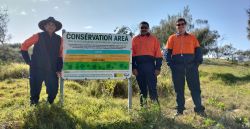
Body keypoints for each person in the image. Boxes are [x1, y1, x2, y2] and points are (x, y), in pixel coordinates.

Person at [164, 18, 205, 116]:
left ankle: (199, 109)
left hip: (191, 67)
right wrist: (171, 65)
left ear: (185, 25)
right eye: (178, 25)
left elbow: (198, 52)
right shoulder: (171, 38)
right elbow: (167, 53)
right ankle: (180, 110)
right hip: (177, 68)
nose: (180, 26)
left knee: (195, 88)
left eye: (182, 24)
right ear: (176, 26)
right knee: (179, 89)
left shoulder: (192, 38)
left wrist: (196, 64)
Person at [20, 17, 63, 105]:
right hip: (36, 68)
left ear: (55, 27)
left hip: (52, 69)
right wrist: (29, 62)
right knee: (35, 90)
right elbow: (24, 46)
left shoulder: (60, 39)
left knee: (53, 90)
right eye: (48, 24)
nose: (50, 26)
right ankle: (34, 105)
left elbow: (60, 55)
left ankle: (49, 103)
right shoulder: (38, 36)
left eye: (53, 25)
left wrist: (59, 69)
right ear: (45, 26)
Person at [132, 21, 163, 107]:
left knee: (152, 89)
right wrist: (133, 68)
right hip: (139, 68)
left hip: (151, 67)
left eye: (146, 27)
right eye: (142, 27)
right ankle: (144, 110)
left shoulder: (154, 39)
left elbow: (158, 55)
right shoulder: (134, 39)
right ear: (140, 28)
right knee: (142, 90)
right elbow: (132, 56)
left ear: (148, 28)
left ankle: (156, 110)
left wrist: (158, 68)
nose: (144, 29)